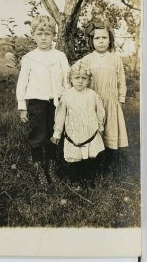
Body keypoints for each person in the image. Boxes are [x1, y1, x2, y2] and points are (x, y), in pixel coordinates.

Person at [16, 15, 69, 189]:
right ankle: (39, 167)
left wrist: (68, 101)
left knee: (55, 133)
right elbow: (22, 83)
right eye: (40, 33)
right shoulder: (29, 58)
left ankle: (51, 167)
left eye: (47, 33)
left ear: (53, 35)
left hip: (56, 102)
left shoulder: (60, 56)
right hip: (36, 103)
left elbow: (67, 80)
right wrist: (22, 107)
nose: (44, 37)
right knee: (38, 134)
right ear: (33, 35)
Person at [76, 22, 128, 175]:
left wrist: (121, 98)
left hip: (111, 102)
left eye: (104, 37)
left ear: (110, 39)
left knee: (110, 132)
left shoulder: (115, 59)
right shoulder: (87, 60)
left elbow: (121, 81)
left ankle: (109, 165)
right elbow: (78, 78)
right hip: (92, 104)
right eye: (97, 38)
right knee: (93, 133)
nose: (100, 41)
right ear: (91, 41)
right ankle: (94, 166)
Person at [51, 63, 105, 187]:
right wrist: (57, 134)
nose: (80, 81)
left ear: (88, 80)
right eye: (77, 78)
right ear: (71, 79)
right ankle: (76, 182)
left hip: (90, 133)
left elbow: (100, 112)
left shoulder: (92, 95)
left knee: (91, 158)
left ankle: (89, 180)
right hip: (73, 134)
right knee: (75, 159)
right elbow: (60, 116)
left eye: (84, 78)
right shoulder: (66, 96)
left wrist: (100, 127)